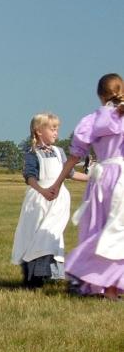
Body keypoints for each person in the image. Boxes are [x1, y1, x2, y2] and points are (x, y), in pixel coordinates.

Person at [49, 73, 124, 300]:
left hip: (101, 180)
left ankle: (103, 284)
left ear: (100, 96)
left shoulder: (91, 121)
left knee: (99, 229)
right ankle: (111, 286)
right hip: (122, 177)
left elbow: (73, 158)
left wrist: (57, 182)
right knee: (118, 231)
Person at [11, 112, 88, 287]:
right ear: (39, 131)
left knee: (51, 234)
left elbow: (70, 173)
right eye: (53, 129)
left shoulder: (59, 152)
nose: (56, 133)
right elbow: (30, 176)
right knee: (36, 234)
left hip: (58, 201)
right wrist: (42, 190)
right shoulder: (32, 153)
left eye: (57, 129)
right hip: (39, 199)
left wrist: (92, 178)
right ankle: (34, 275)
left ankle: (48, 273)